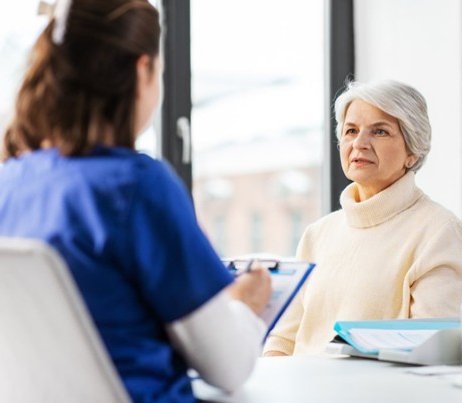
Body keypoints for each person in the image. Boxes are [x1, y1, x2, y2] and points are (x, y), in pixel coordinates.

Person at [0, 1, 271, 401]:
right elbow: (228, 366)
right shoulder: (136, 187)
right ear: (142, 70)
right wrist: (246, 303)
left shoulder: (10, 182)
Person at [263, 80, 462, 356]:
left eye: (380, 131)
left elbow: (433, 353)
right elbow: (283, 339)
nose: (359, 144)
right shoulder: (318, 234)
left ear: (412, 152)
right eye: (351, 131)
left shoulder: (439, 232)